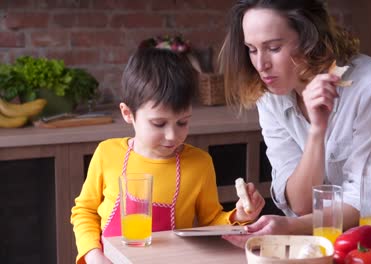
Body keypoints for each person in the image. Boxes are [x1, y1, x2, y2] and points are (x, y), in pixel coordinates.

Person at [218, 0, 371, 247]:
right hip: (314, 241)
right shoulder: (270, 95)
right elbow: (301, 205)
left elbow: (367, 205)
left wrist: (288, 226)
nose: (261, 65)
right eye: (252, 49)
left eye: (273, 47)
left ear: (310, 38)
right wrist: (316, 131)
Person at [70, 39, 265, 263]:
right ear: (128, 113)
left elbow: (211, 222)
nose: (172, 135)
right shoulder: (107, 153)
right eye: (159, 124)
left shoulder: (199, 163)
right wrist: (94, 255)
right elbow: (84, 212)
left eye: (182, 122)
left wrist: (239, 216)